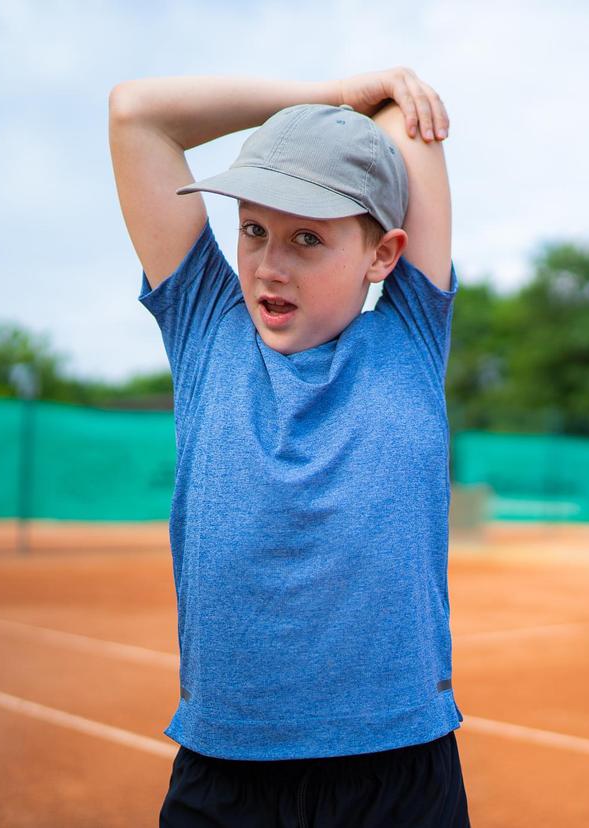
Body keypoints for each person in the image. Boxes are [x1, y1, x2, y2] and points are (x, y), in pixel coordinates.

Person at [108, 66, 469, 827]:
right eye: (253, 230)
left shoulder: (408, 336)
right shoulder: (207, 326)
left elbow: (407, 125)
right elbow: (136, 113)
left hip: (397, 771)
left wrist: (372, 107)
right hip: (227, 770)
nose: (270, 263)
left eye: (308, 237)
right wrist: (329, 96)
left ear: (382, 255)